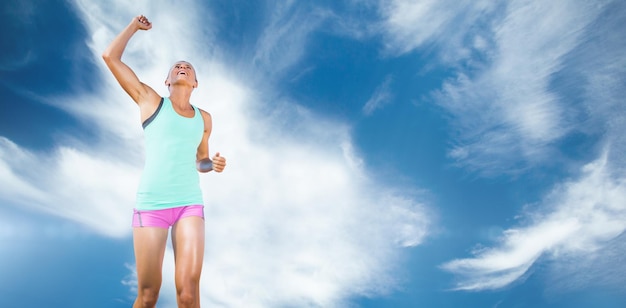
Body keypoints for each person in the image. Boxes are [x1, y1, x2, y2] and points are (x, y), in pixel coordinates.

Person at [102, 15, 226, 308]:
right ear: (167, 81)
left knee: (188, 291)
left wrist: (213, 165)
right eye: (176, 68)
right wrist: (134, 26)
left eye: (188, 68)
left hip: (189, 203)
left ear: (195, 83)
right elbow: (110, 56)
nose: (182, 68)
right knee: (148, 296)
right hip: (152, 205)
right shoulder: (149, 100)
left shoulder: (204, 119)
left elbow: (201, 161)